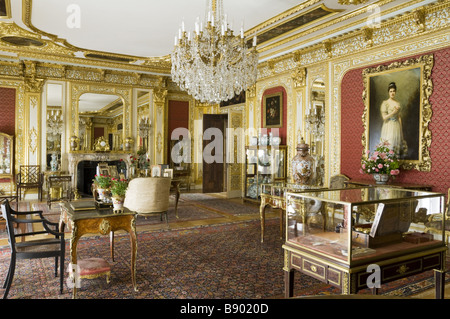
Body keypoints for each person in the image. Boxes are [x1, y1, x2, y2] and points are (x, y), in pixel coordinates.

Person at [380, 82, 407, 157]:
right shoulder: (385, 103)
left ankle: (394, 164)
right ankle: (387, 163)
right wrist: (393, 112)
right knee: (389, 144)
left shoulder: (397, 103)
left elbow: (399, 117)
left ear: (395, 92)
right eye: (391, 91)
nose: (392, 93)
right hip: (388, 125)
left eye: (394, 91)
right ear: (388, 92)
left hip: (396, 126)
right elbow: (384, 117)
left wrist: (401, 130)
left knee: (396, 145)